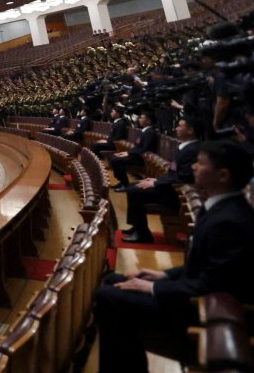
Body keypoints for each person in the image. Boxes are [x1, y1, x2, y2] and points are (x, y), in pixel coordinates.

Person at [93, 140, 254, 371]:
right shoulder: (222, 208)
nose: (194, 168)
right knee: (111, 281)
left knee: (108, 297)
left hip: (204, 311)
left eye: (200, 163)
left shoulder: (231, 221)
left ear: (222, 175)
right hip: (194, 294)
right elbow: (204, 267)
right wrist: (163, 275)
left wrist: (153, 288)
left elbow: (215, 283)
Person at [121, 117, 203, 243]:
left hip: (177, 194)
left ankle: (143, 235)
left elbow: (184, 177)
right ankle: (138, 226)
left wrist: (156, 183)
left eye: (180, 126)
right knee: (133, 186)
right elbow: (174, 172)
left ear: (191, 130)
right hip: (170, 187)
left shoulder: (192, 150)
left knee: (135, 191)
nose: (176, 128)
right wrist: (155, 180)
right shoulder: (186, 147)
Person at [110, 110, 157, 190]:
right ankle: (121, 182)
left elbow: (144, 149)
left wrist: (128, 153)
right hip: (135, 155)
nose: (139, 119)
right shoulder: (144, 131)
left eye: (142, 118)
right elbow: (137, 146)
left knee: (116, 160)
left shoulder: (150, 133)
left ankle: (125, 184)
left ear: (148, 121)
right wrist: (127, 152)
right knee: (114, 157)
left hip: (141, 159)